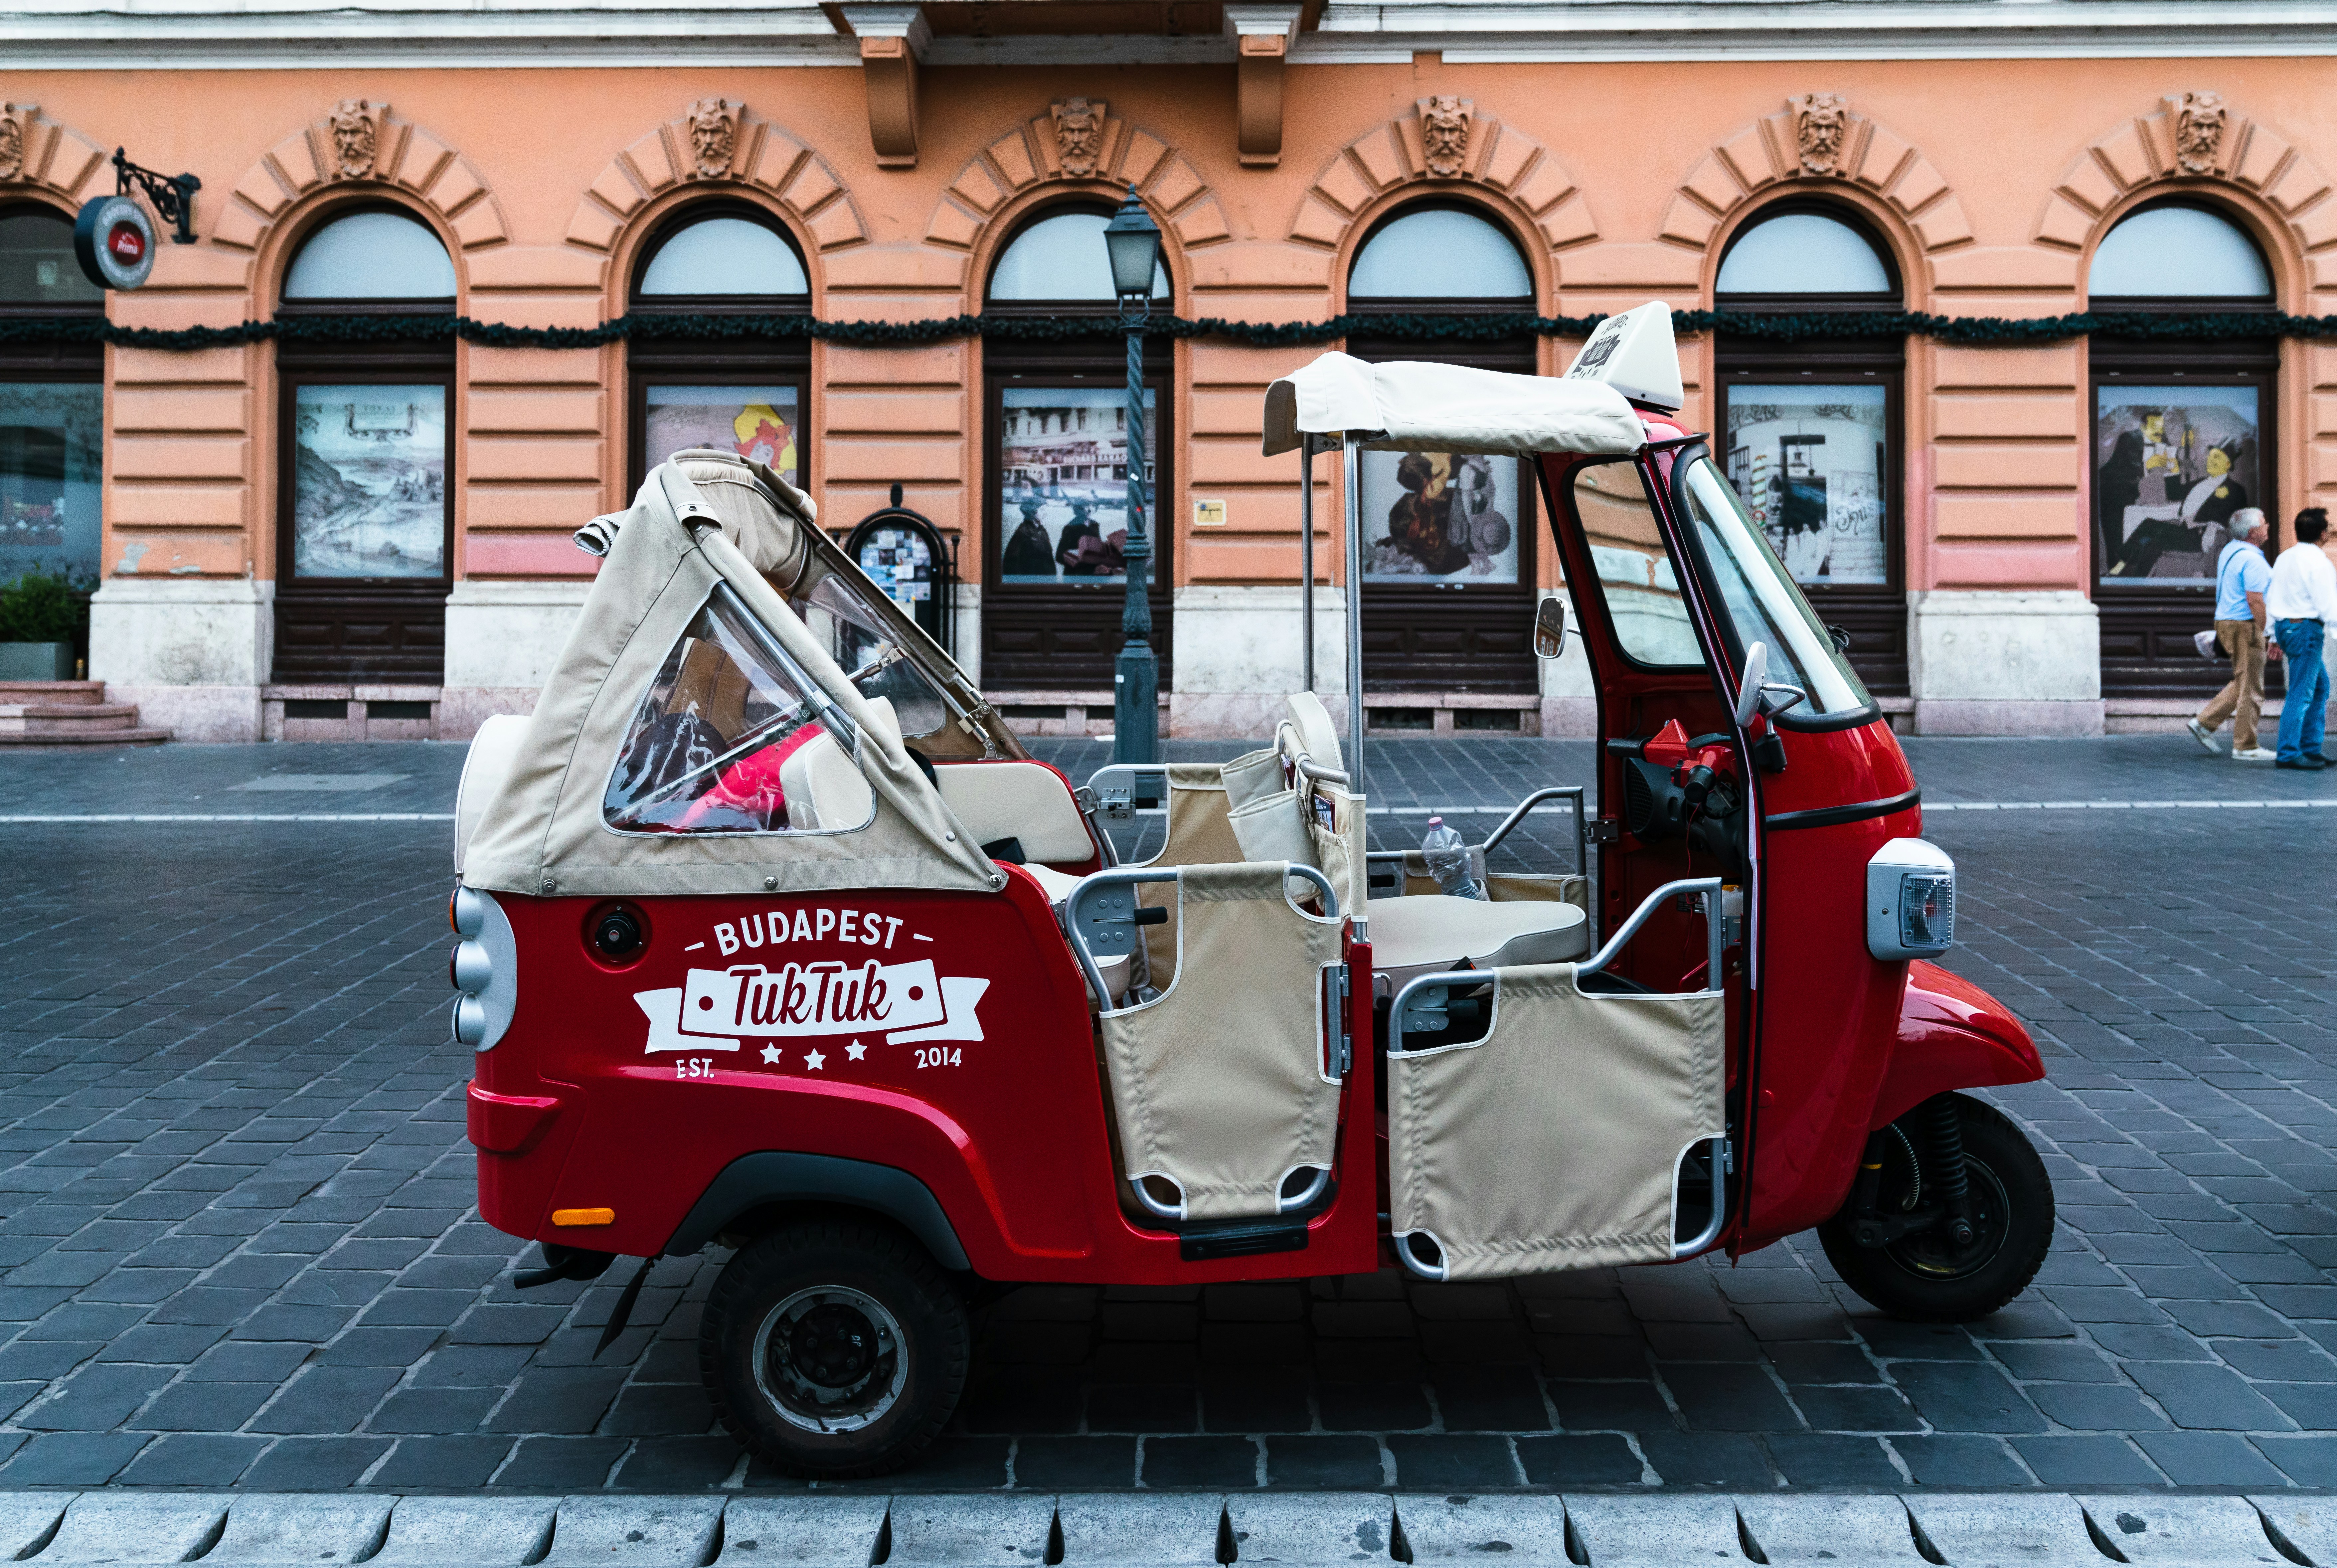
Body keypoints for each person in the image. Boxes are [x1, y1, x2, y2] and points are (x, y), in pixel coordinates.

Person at [2189, 508, 2275, 761]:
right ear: (2253, 532)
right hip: (2245, 626)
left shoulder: (2230, 550)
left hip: (2227, 622)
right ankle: (2245, 746)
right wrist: (2269, 632)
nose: (2267, 526)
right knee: (2253, 688)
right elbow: (2255, 601)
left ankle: (2204, 723)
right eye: (2263, 524)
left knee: (2243, 681)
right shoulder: (2253, 561)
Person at [2267, 506, 2337, 770]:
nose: (2330, 530)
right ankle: (2288, 753)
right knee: (2302, 693)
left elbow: (2271, 596)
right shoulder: (2319, 561)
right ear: (2323, 533)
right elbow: (2328, 603)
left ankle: (2310, 748)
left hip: (2288, 627)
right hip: (2306, 630)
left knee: (2318, 688)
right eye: (2328, 526)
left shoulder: (2285, 557)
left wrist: (2273, 634)